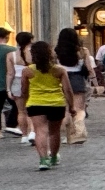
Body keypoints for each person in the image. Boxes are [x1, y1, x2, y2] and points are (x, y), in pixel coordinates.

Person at [18, 39, 69, 169]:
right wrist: (72, 106)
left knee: (40, 131)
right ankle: (53, 157)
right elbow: (67, 89)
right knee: (54, 132)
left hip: (35, 103)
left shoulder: (28, 71)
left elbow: (24, 90)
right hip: (56, 103)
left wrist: (25, 103)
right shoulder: (59, 70)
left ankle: (43, 160)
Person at [54, 27, 88, 140]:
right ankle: (77, 132)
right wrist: (95, 82)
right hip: (77, 79)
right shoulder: (83, 51)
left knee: (64, 109)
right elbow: (89, 68)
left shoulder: (56, 52)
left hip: (60, 79)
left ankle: (64, 135)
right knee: (78, 109)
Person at [9, 31, 34, 144]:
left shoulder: (11, 55)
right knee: (32, 110)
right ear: (31, 40)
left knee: (21, 111)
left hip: (17, 81)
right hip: (31, 81)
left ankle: (24, 135)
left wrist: (8, 88)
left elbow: (10, 73)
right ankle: (33, 131)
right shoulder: (33, 53)